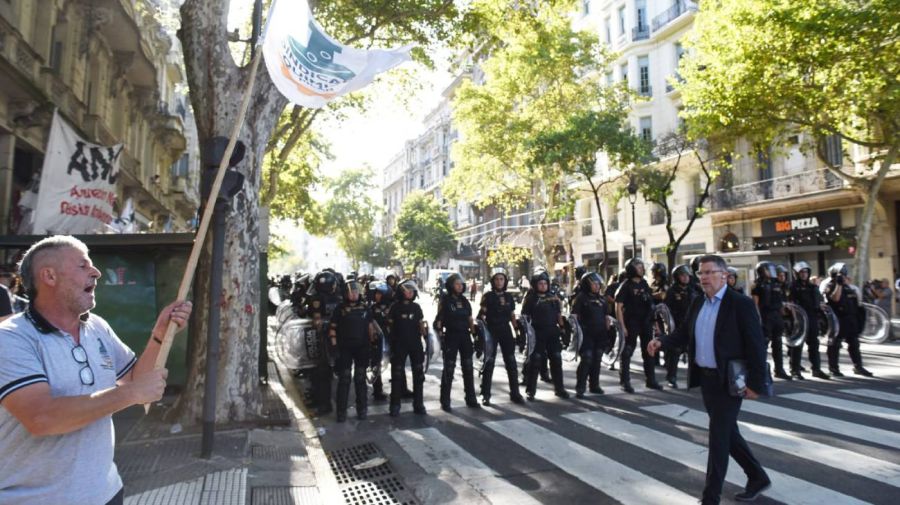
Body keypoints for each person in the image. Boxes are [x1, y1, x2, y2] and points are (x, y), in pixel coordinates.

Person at [0, 235, 192, 505]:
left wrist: (158, 335)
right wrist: (130, 394)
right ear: (49, 276)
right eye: (83, 265)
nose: (96, 272)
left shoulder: (97, 327)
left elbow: (136, 381)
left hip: (106, 492)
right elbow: (42, 418)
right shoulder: (11, 338)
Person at [648, 255, 770, 505]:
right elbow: (684, 333)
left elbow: (756, 345)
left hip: (730, 380)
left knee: (718, 438)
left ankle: (710, 498)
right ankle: (757, 476)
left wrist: (756, 383)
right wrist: (662, 342)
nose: (703, 277)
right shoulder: (698, 302)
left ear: (724, 275)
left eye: (709, 272)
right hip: (707, 380)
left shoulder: (741, 304)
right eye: (701, 273)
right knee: (727, 432)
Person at [329, 280, 376, 422]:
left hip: (362, 348)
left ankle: (362, 410)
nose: (354, 295)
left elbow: (370, 328)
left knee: (360, 378)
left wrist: (373, 345)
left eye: (356, 292)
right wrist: (334, 346)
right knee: (344, 378)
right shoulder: (340, 309)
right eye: (351, 292)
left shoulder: (365, 308)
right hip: (344, 348)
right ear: (345, 294)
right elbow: (332, 328)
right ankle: (341, 412)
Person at [478, 268, 524, 405]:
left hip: (505, 331)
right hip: (491, 331)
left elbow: (512, 315)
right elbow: (481, 316)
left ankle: (515, 393)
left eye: (501, 279)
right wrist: (480, 334)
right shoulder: (488, 296)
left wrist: (517, 331)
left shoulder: (509, 297)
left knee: (511, 362)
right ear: (493, 281)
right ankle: (485, 394)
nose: (499, 282)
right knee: (489, 362)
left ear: (505, 281)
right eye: (497, 279)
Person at [434, 273, 480, 411]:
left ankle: (471, 398)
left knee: (468, 366)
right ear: (450, 285)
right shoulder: (445, 301)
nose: (460, 286)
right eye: (457, 284)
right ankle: (445, 400)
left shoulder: (465, 301)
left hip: (465, 336)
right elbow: (439, 320)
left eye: (461, 284)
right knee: (449, 368)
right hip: (451, 336)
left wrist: (475, 335)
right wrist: (440, 336)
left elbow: (470, 319)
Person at [615, 258, 662, 392]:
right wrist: (622, 326)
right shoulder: (625, 285)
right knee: (627, 351)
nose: (642, 269)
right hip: (631, 322)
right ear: (631, 269)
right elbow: (618, 306)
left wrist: (655, 324)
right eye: (638, 267)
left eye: (642, 267)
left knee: (649, 351)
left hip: (645, 322)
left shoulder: (644, 284)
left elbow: (651, 305)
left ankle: (651, 380)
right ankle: (625, 382)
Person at [521, 269, 569, 400]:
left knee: (556, 359)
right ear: (535, 284)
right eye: (540, 283)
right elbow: (525, 317)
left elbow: (558, 314)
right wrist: (525, 333)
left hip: (552, 332)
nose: (543, 286)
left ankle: (559, 389)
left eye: (545, 283)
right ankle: (531, 390)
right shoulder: (531, 298)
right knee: (535, 360)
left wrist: (563, 329)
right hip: (537, 332)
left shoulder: (553, 297)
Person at [820, 263, 872, 377]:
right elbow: (835, 298)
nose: (843, 276)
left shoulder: (848, 287)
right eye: (841, 274)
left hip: (850, 319)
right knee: (835, 344)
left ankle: (858, 366)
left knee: (854, 344)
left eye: (844, 274)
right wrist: (838, 284)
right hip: (838, 320)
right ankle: (833, 368)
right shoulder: (831, 285)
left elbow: (856, 303)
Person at [386, 280, 427, 416]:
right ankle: (395, 405)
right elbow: (389, 327)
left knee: (419, 374)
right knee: (397, 374)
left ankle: (419, 404)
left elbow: (421, 324)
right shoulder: (394, 307)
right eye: (406, 290)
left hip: (415, 343)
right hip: (399, 344)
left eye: (411, 290)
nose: (409, 293)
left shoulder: (416, 307)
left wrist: (426, 335)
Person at [306, 270, 342, 415]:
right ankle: (322, 402)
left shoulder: (334, 297)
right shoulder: (335, 298)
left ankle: (324, 403)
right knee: (322, 373)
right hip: (328, 339)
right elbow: (317, 321)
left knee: (322, 373)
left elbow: (316, 320)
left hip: (328, 339)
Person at [570, 272, 610, 397]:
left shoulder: (602, 299)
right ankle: (580, 387)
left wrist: (608, 330)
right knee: (587, 358)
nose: (597, 286)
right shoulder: (580, 298)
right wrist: (577, 333)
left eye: (598, 284)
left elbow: (606, 316)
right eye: (594, 284)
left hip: (600, 333)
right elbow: (574, 317)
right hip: (586, 334)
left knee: (597, 358)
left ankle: (594, 385)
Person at [789, 262, 829, 380]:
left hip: (812, 318)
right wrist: (795, 319)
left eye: (806, 272)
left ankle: (816, 369)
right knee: (797, 345)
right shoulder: (793, 287)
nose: (804, 274)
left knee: (814, 345)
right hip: (800, 319)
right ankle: (795, 370)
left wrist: (821, 308)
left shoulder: (812, 287)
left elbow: (819, 301)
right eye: (801, 272)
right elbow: (790, 303)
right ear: (797, 273)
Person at [751, 262, 790, 380]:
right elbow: (755, 304)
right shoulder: (757, 285)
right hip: (765, 316)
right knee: (764, 344)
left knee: (778, 343)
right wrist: (758, 319)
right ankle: (761, 371)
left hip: (777, 315)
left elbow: (781, 300)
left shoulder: (776, 283)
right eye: (768, 269)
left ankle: (779, 369)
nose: (771, 271)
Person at [663, 264, 698, 388]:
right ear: (677, 277)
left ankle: (695, 378)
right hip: (677, 325)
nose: (685, 278)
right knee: (675, 351)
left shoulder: (692, 290)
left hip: (692, 325)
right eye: (682, 275)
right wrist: (668, 327)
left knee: (694, 351)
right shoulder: (672, 291)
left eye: (687, 275)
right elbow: (666, 310)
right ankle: (671, 377)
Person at [366, 281, 391, 402]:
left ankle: (401, 388)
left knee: (397, 365)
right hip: (378, 341)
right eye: (376, 293)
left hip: (391, 338)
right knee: (376, 365)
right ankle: (377, 390)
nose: (377, 296)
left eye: (380, 294)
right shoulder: (372, 308)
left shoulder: (392, 307)